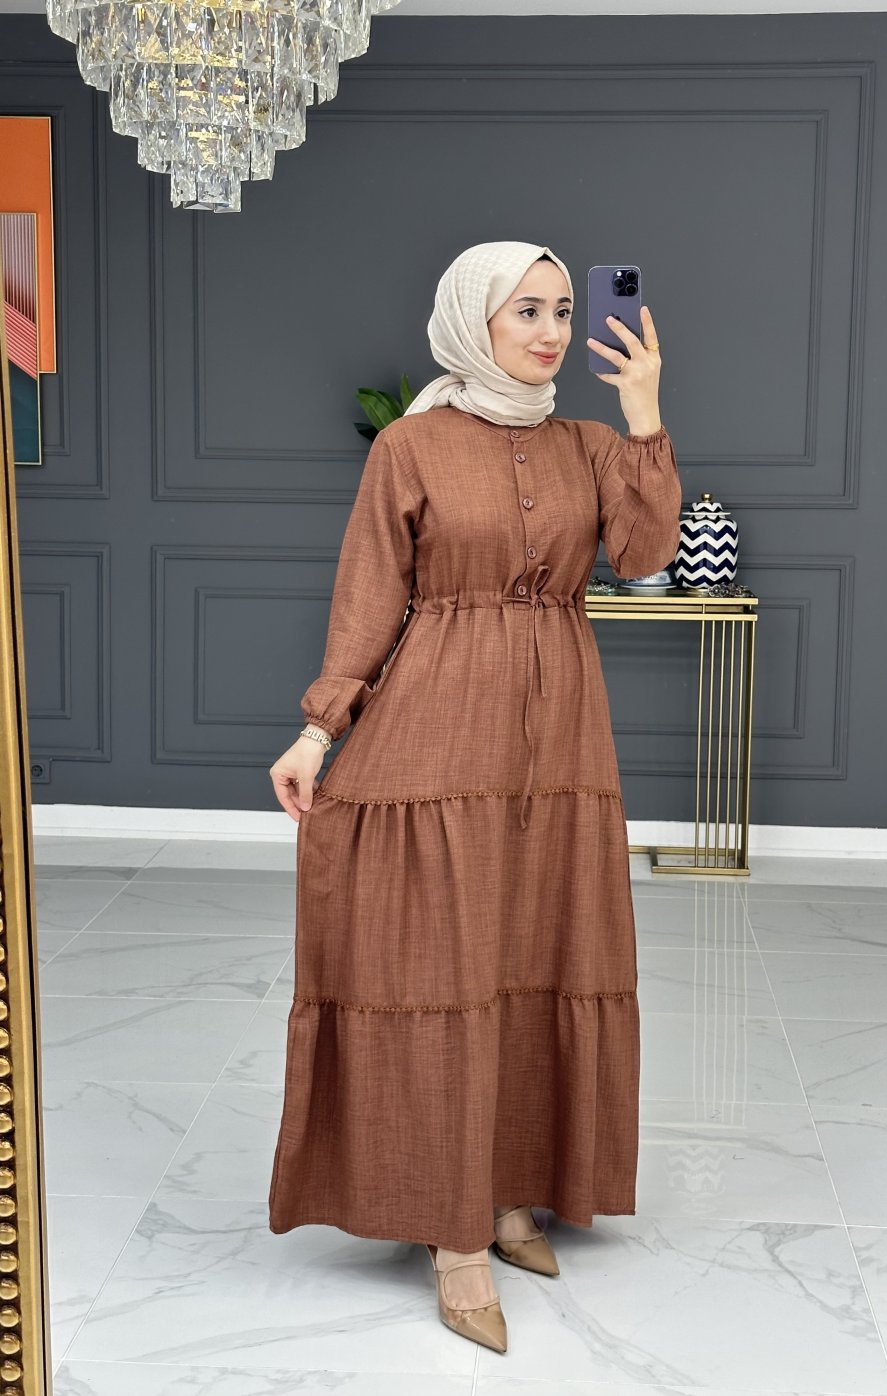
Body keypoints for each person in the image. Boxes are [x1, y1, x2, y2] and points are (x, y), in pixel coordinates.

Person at [267, 241, 682, 1354]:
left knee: (536, 955)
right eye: (524, 311)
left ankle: (507, 1189)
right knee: (442, 968)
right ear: (471, 321)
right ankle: (452, 1231)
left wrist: (643, 412)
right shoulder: (410, 446)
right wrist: (319, 728)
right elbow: (370, 596)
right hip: (439, 727)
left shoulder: (589, 442)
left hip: (560, 740)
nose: (550, 332)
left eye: (562, 310)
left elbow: (643, 551)